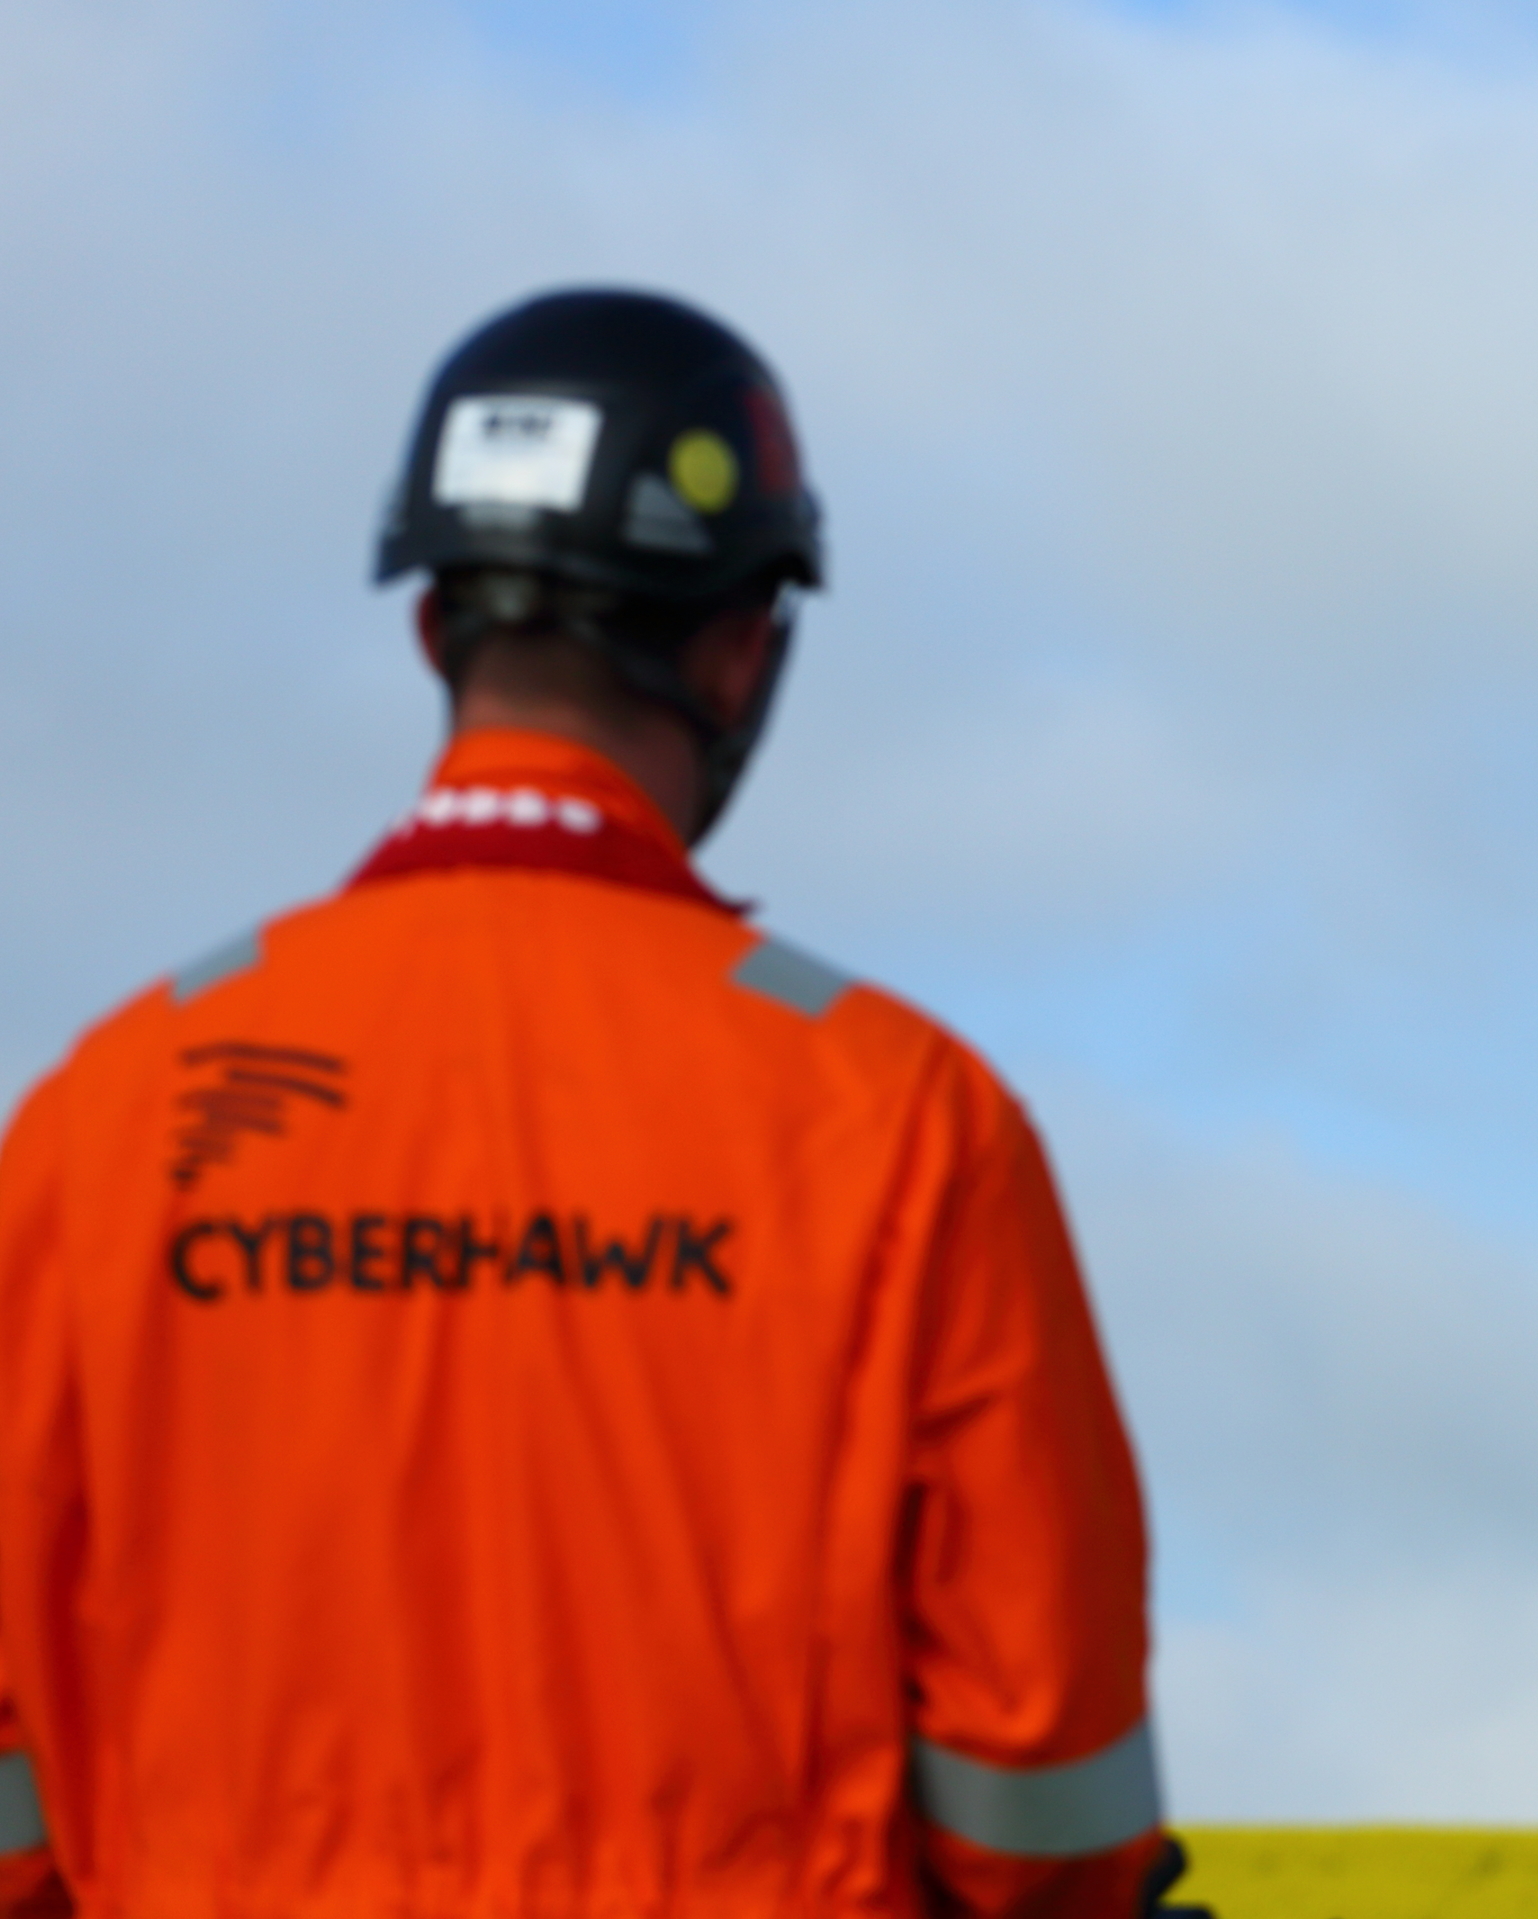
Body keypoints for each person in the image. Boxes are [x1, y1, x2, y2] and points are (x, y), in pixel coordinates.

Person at [0, 290, 1176, 1919]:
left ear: (432, 630)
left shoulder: (107, 1113)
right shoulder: (899, 1116)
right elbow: (1043, 1800)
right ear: (739, 646)